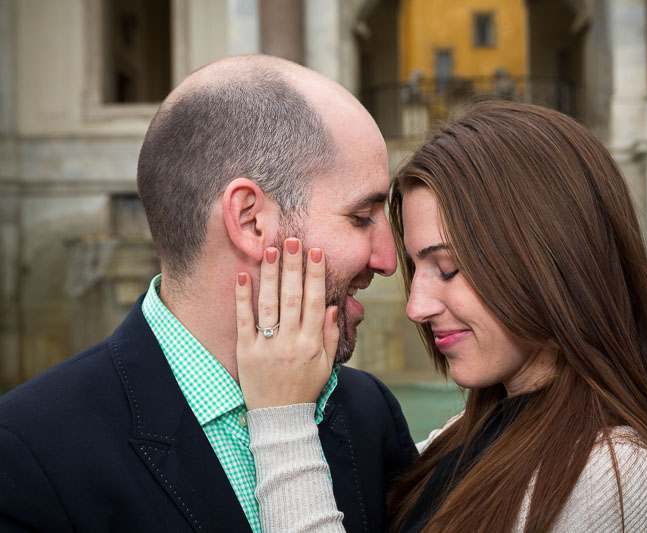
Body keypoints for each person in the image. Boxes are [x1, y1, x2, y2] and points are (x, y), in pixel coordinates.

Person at [237, 101, 647, 532]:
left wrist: (282, 420)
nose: (415, 308)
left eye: (447, 268)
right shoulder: (472, 433)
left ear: (550, 262)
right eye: (416, 268)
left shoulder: (619, 475)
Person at [0, 55, 416, 532]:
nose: (388, 257)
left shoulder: (369, 415)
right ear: (250, 221)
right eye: (362, 217)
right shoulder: (25, 457)